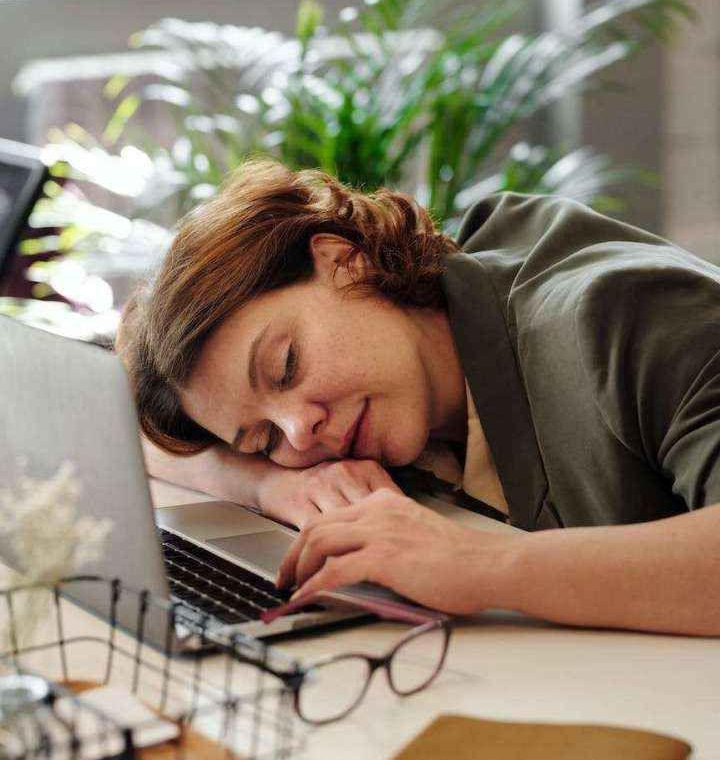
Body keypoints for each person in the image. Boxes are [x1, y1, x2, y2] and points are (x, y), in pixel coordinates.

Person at [117, 159, 720, 637]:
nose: (301, 432)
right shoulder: (410, 361)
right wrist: (276, 486)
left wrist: (477, 565)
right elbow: (133, 437)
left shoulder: (624, 320)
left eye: (286, 366)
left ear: (342, 262)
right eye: (263, 438)